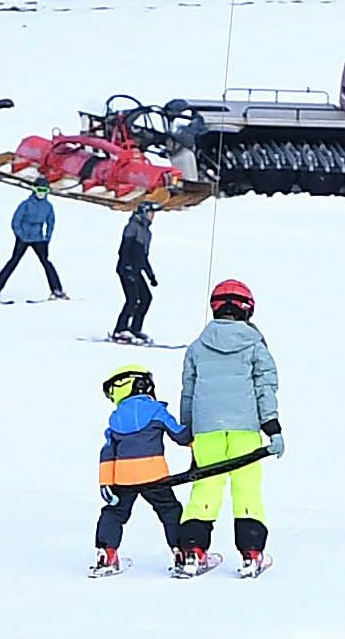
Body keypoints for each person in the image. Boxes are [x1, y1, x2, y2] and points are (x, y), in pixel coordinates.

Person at [178, 279, 284, 577]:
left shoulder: (197, 347)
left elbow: (189, 390)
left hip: (206, 431)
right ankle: (252, 553)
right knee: (246, 487)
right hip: (245, 431)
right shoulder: (255, 346)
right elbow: (265, 387)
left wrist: (187, 428)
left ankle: (193, 551)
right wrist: (272, 427)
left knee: (205, 487)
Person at [91, 365, 193, 575]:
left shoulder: (116, 417)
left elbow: (108, 451)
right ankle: (182, 553)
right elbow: (180, 436)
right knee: (169, 510)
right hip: (154, 475)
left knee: (114, 512)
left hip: (123, 478)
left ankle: (106, 554)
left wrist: (105, 483)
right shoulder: (156, 410)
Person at [0, 181, 65, 301]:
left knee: (46, 263)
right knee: (13, 261)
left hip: (38, 239)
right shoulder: (25, 204)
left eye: (45, 191)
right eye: (39, 190)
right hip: (23, 238)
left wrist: (47, 238)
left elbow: (51, 222)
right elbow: (15, 222)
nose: (41, 194)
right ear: (34, 190)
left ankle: (57, 290)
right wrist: (21, 235)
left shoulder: (48, 206)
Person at [111, 202, 159, 344]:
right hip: (126, 269)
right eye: (151, 213)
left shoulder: (146, 232)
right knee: (132, 299)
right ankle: (120, 329)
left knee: (146, 298)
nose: (153, 216)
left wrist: (151, 275)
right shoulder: (132, 227)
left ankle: (135, 328)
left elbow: (143, 257)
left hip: (136, 270)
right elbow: (124, 250)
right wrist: (127, 267)